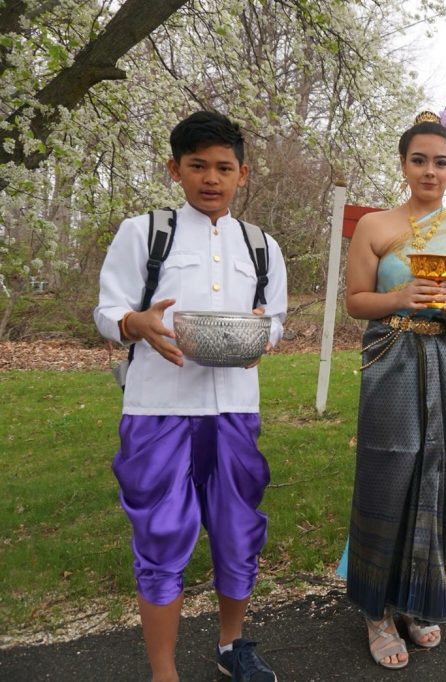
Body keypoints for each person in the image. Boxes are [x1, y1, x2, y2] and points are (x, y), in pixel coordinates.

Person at [94, 111, 286, 682]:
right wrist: (136, 323)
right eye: (197, 165)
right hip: (158, 408)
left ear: (242, 174)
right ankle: (163, 670)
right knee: (161, 534)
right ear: (174, 169)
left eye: (223, 167)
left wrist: (263, 337)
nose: (211, 178)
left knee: (237, 528)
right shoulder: (144, 232)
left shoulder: (260, 245)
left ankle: (232, 645)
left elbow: (272, 318)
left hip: (234, 405)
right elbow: (107, 310)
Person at [342, 110, 446, 669]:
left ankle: (417, 601)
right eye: (419, 160)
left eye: (440, 161)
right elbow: (356, 302)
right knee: (388, 472)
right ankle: (376, 610)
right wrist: (401, 298)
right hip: (391, 357)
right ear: (404, 165)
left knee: (441, 471)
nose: (429, 171)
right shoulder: (375, 227)